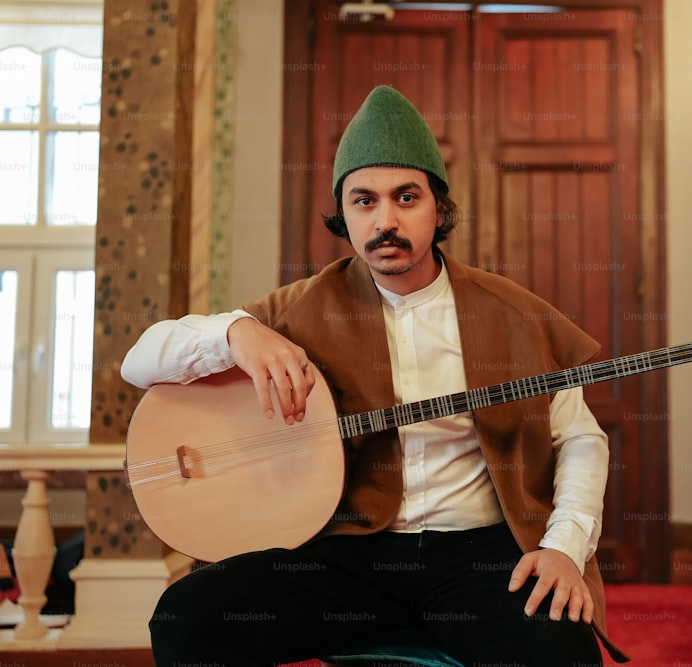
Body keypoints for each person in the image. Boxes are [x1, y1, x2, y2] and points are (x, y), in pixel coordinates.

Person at [121, 85, 628, 666]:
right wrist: (235, 333)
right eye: (364, 201)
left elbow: (580, 439)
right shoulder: (299, 307)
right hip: (348, 552)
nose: (385, 220)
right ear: (345, 214)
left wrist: (563, 546)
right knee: (190, 617)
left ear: (439, 208)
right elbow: (140, 360)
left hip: (483, 556)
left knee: (560, 652)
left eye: (406, 197)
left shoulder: (515, 313)